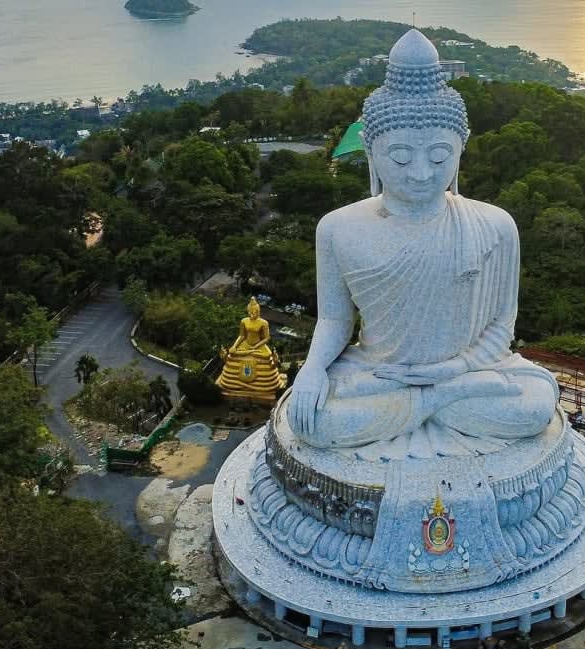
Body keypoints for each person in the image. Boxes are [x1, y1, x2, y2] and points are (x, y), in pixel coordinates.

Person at [287, 29, 558, 453]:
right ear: (372, 153)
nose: (419, 173)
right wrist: (312, 370)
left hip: (463, 373)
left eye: (438, 157)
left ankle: (431, 400)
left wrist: (453, 369)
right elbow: (336, 321)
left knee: (534, 408)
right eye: (399, 157)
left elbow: (502, 324)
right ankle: (436, 404)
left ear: (459, 153)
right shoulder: (337, 227)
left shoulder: (495, 226)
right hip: (380, 371)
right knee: (312, 422)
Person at [217, 297, 283, 400]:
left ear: (258, 311)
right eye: (250, 311)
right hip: (245, 344)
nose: (252, 314)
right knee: (232, 354)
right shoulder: (244, 321)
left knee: (266, 357)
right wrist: (234, 346)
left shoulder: (263, 323)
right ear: (248, 311)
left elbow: (267, 338)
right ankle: (236, 384)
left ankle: (261, 386)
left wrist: (255, 346)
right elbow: (242, 336)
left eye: (255, 312)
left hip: (258, 345)